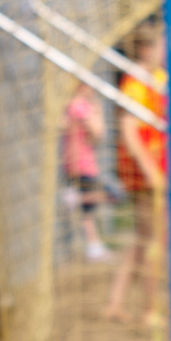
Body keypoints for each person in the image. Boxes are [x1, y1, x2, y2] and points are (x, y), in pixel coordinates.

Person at [106, 23, 171, 323]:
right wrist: (150, 171)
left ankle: (116, 302)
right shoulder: (135, 83)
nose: (167, 51)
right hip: (145, 175)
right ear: (145, 49)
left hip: (158, 171)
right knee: (153, 243)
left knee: (143, 240)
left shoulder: (157, 77)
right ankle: (151, 309)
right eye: (162, 45)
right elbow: (128, 131)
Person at [62, 82, 107, 261]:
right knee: (95, 200)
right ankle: (70, 199)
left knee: (88, 209)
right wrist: (98, 112)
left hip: (76, 162)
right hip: (82, 163)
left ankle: (94, 244)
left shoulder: (70, 107)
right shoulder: (80, 107)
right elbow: (98, 133)